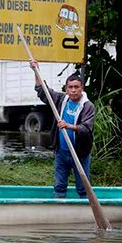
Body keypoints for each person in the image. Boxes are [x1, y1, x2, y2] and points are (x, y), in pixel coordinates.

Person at [30, 60, 95, 198]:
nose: (73, 90)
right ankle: (59, 208)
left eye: (76, 87)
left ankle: (84, 211)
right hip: (62, 152)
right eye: (70, 87)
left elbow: (86, 128)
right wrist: (36, 70)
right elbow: (43, 91)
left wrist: (68, 126)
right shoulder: (61, 100)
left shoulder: (88, 106)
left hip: (80, 153)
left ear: (82, 88)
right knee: (59, 187)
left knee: (83, 188)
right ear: (66, 88)